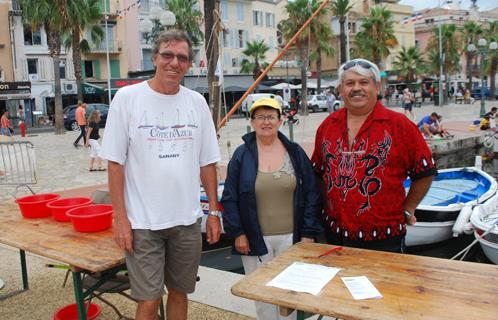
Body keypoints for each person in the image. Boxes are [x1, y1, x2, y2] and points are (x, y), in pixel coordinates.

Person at [101, 29, 222, 320]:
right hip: (143, 223)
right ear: (154, 58)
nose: (174, 63)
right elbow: (115, 164)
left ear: (188, 65)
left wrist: (214, 213)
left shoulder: (196, 103)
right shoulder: (127, 98)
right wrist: (120, 219)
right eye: (167, 55)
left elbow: (208, 163)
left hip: (187, 221)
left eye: (182, 57)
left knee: (180, 294)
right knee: (149, 300)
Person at [311, 58, 437, 253]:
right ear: (341, 89)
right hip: (335, 233)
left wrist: (408, 208)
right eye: (350, 83)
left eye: (363, 82)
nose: (356, 88)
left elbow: (425, 171)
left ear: (377, 87)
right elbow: (318, 172)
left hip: (385, 237)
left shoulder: (399, 125)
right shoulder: (327, 126)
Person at [221, 97, 322, 320]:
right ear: (252, 122)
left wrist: (308, 234)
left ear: (280, 120)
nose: (265, 122)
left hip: (292, 239)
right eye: (260, 117)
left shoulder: (295, 152)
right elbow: (230, 198)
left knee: (289, 297)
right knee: (263, 300)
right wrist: (237, 233)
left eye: (270, 116)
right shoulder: (241, 155)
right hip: (255, 240)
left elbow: (312, 194)